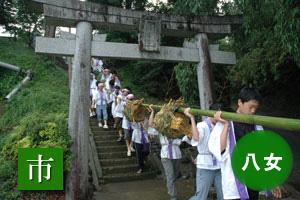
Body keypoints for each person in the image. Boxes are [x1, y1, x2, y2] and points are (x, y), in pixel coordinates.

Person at [208, 87, 282, 200]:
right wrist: (226, 125)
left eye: (255, 108)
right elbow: (220, 151)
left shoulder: (257, 127)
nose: (253, 111)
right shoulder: (225, 124)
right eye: (250, 107)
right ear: (240, 102)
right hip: (234, 188)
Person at [183, 104, 224, 200]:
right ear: (211, 114)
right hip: (205, 165)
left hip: (219, 165)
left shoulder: (221, 125)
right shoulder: (202, 125)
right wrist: (192, 118)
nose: (219, 118)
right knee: (201, 197)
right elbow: (196, 137)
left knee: (224, 195)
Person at [148, 105, 183, 200]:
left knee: (174, 176)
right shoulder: (161, 127)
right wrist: (152, 112)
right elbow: (151, 125)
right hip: (165, 155)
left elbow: (184, 134)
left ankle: (170, 187)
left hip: (177, 154)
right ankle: (173, 196)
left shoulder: (177, 125)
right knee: (170, 176)